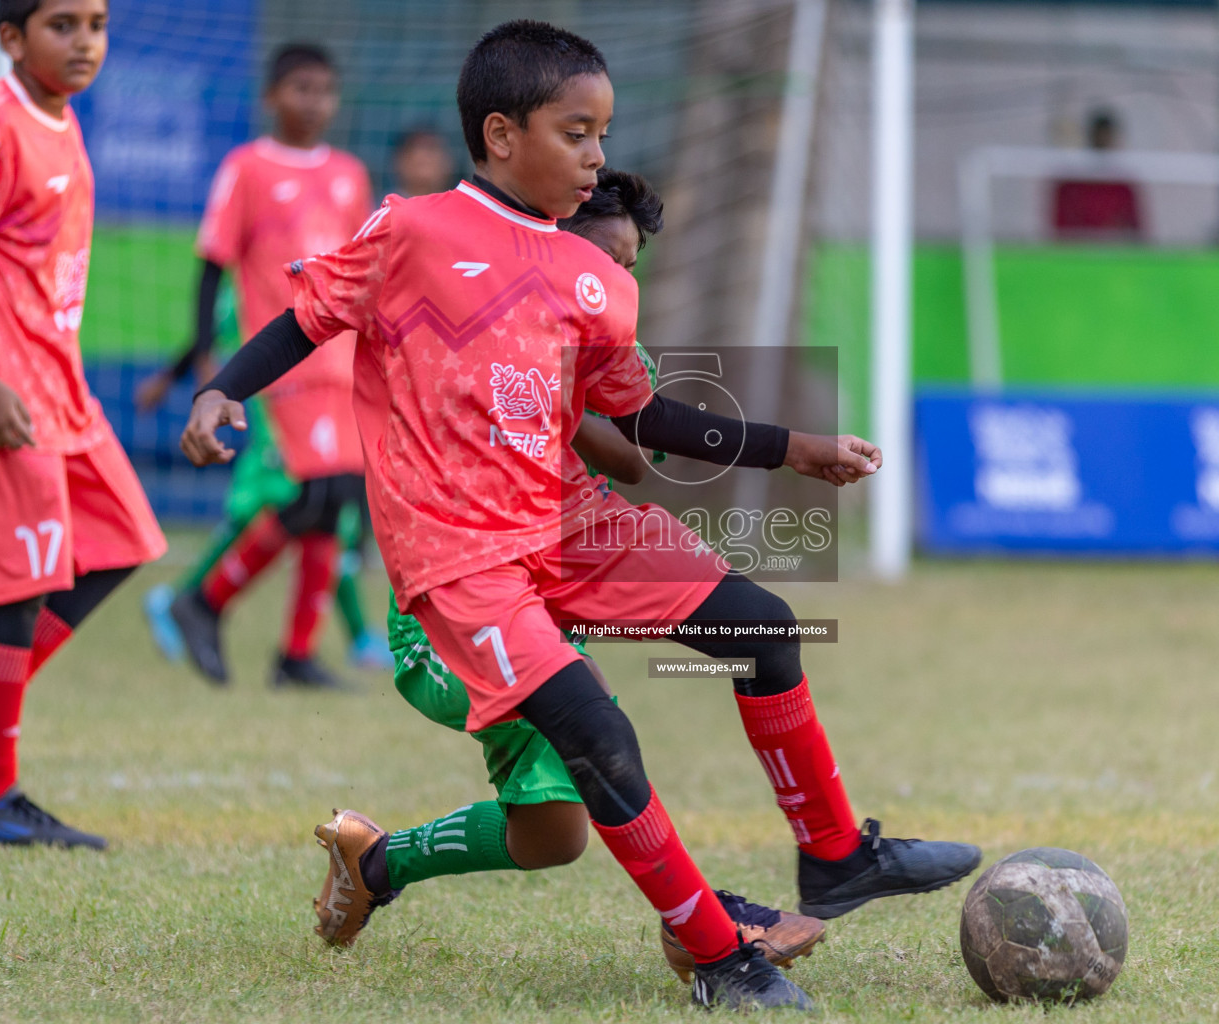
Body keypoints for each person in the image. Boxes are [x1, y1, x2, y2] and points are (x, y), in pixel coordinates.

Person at [181, 21, 981, 1010]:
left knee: (764, 629)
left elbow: (637, 416)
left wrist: (793, 448)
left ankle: (836, 857)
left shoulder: (597, 280)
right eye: (579, 132)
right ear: (504, 134)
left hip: (569, 527)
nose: (599, 155)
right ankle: (719, 951)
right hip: (460, 558)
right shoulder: (413, 231)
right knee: (598, 739)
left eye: (604, 133)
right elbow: (307, 318)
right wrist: (223, 390)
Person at [313, 168, 825, 982]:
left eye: (630, 267)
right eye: (605, 255)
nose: (616, 278)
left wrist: (558, 382)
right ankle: (708, 927)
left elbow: (632, 455)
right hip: (451, 612)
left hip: (546, 597)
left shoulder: (600, 323)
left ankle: (374, 864)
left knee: (551, 837)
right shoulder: (465, 302)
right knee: (601, 742)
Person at [0, 0, 167, 848]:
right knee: (18, 588)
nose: (84, 42)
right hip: (1, 400)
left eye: (96, 23)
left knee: (122, 540)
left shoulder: (59, 122)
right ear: (9, 38)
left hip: (61, 394)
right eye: (61, 25)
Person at [165, 43, 376, 690]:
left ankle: (296, 653)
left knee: (334, 500)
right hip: (282, 359)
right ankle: (203, 601)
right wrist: (205, 352)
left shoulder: (348, 173)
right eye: (300, 89)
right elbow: (212, 259)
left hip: (343, 358)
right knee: (314, 492)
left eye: (324, 91)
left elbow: (362, 269)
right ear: (271, 96)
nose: (313, 103)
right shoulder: (247, 167)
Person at [1050, 108, 1145, 241]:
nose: (1103, 142)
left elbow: (1136, 230)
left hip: (1114, 255)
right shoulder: (1070, 185)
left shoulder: (1123, 186)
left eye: (1107, 137)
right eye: (1099, 136)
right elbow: (1060, 230)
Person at [391, 125, 454, 199]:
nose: (425, 157)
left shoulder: (456, 206)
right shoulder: (385, 206)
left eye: (431, 148)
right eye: (416, 148)